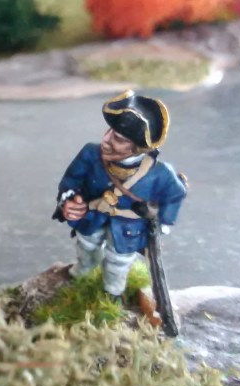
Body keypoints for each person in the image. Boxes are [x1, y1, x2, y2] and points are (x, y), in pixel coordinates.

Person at [54, 91, 188, 301]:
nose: (106, 139)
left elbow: (175, 194)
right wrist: (69, 200)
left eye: (118, 138)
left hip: (129, 227)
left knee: (118, 261)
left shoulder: (160, 173)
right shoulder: (90, 153)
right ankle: (85, 269)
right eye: (110, 131)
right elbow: (71, 181)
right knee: (86, 245)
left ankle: (113, 290)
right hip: (92, 215)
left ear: (138, 147)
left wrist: (161, 222)